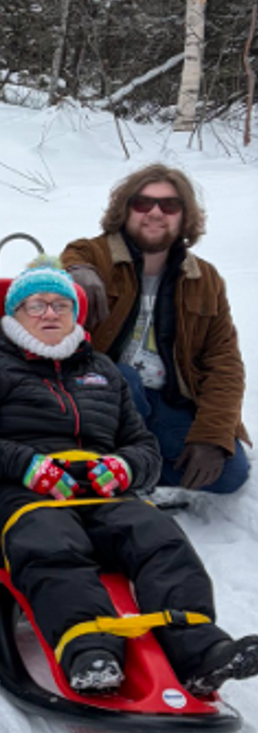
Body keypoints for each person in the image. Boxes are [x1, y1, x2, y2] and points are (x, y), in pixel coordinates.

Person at [0, 257, 258, 695]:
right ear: (15, 314)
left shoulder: (102, 370)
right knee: (52, 542)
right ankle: (88, 648)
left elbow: (143, 446)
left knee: (158, 535)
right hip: (20, 490)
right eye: (35, 304)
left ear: (76, 313)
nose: (50, 313)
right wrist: (25, 465)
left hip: (100, 490)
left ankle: (200, 648)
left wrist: (125, 466)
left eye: (61, 304)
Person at [62, 165, 248, 494]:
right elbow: (69, 258)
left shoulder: (204, 278)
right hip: (105, 400)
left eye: (169, 205)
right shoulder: (96, 256)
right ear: (125, 210)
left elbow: (225, 363)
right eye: (143, 203)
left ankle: (128, 472)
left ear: (184, 215)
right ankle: (111, 470)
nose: (156, 213)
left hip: (166, 402)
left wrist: (211, 436)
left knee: (230, 474)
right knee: (122, 377)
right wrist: (77, 271)